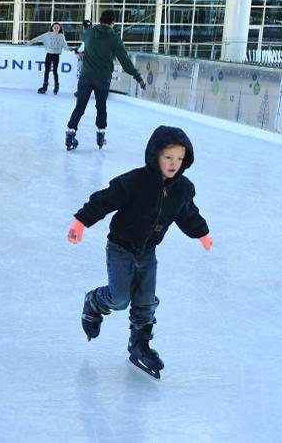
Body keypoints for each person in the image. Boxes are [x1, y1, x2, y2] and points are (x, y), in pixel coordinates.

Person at [67, 125, 213, 379]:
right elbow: (105, 199)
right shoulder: (135, 181)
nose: (174, 163)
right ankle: (95, 301)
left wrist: (202, 233)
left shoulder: (182, 188)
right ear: (155, 155)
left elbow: (188, 213)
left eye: (180, 158)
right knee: (120, 299)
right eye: (168, 157)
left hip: (148, 252)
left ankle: (139, 344)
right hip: (121, 247)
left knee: (145, 301)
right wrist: (81, 221)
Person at [65, 10, 145, 150]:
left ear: (100, 19)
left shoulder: (89, 33)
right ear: (113, 21)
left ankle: (70, 134)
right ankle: (100, 134)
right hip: (102, 78)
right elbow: (125, 61)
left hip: (86, 76)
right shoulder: (114, 38)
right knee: (101, 107)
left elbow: (82, 36)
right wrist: (137, 77)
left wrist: (87, 29)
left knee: (80, 107)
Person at [25, 22, 68, 95]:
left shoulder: (61, 36)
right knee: (47, 71)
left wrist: (72, 50)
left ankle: (56, 86)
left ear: (60, 28)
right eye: (55, 27)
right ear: (52, 28)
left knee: (55, 71)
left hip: (56, 55)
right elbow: (38, 38)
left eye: (58, 27)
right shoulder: (48, 35)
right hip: (49, 54)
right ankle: (44, 87)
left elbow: (65, 46)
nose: (56, 28)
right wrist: (29, 43)